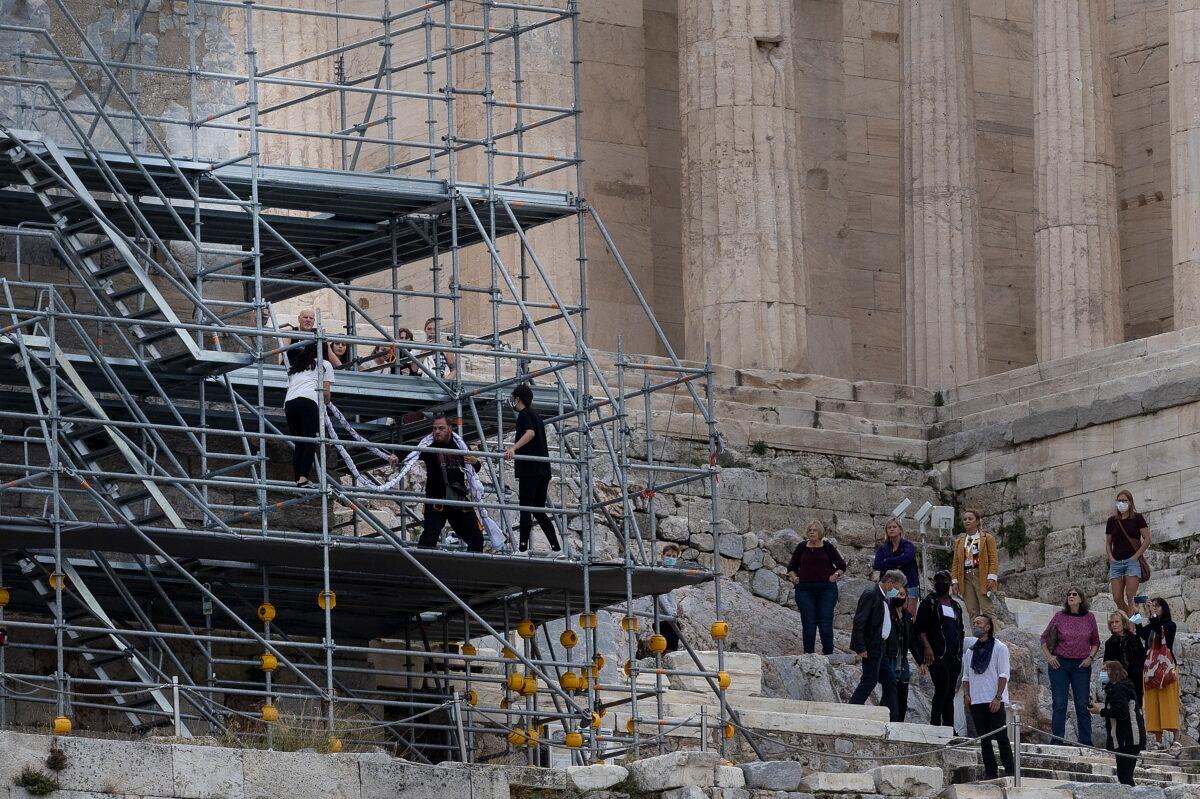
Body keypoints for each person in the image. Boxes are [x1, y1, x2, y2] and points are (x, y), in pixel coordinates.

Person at [504, 383, 561, 554]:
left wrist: (513, 448)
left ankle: (522, 549)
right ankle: (556, 547)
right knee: (538, 509)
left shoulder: (524, 414)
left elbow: (530, 433)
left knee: (526, 508)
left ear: (518, 398)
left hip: (531, 470)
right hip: (543, 469)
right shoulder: (536, 414)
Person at [1040, 587, 1100, 747]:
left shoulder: (1089, 617)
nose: (1071, 596)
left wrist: (1090, 657)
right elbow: (1044, 638)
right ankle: (1057, 741)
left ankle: (1086, 742)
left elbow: (1095, 641)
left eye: (1074, 594)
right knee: (1059, 703)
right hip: (1060, 664)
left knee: (1082, 704)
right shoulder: (1059, 616)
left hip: (1082, 665)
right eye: (1069, 594)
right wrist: (1049, 657)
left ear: (1081, 598)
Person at [417, 413, 484, 552]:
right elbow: (411, 453)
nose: (437, 432)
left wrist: (475, 461)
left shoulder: (460, 445)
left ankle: (470, 570)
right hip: (436, 500)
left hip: (457, 498)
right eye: (435, 429)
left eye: (441, 428)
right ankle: (421, 569)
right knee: (429, 537)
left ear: (450, 428)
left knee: (476, 538)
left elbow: (475, 467)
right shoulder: (429, 446)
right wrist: (395, 457)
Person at [962, 613, 1015, 780]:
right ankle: (990, 772)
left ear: (987, 627)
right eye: (974, 622)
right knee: (984, 739)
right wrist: (966, 695)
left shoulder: (1000, 648)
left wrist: (998, 697)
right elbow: (966, 676)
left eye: (979, 623)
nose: (975, 625)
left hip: (994, 700)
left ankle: (1010, 770)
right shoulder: (970, 651)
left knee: (1001, 737)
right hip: (977, 700)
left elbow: (1004, 674)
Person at [282, 322, 334, 486]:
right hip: (307, 401)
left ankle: (298, 478)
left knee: (299, 443)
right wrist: (327, 402)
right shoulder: (324, 364)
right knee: (311, 441)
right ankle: (303, 478)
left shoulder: (296, 367)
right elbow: (326, 392)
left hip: (289, 404)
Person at [848, 569, 905, 715]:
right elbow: (860, 621)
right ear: (889, 583)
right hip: (871, 645)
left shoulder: (884, 598)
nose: (897, 592)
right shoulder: (871, 594)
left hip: (881, 647)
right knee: (870, 680)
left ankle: (892, 717)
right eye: (897, 588)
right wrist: (860, 647)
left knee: (890, 681)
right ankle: (850, 710)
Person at [785, 521, 847, 655]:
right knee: (809, 624)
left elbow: (842, 565)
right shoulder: (802, 547)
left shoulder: (827, 547)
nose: (812, 532)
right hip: (805, 590)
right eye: (809, 530)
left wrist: (835, 575)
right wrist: (795, 578)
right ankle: (809, 656)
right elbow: (791, 567)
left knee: (825, 624)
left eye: (814, 530)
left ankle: (829, 655)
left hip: (826, 590)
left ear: (820, 532)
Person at [915, 569, 965, 728]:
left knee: (950, 692)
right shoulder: (929, 602)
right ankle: (935, 724)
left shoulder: (956, 605)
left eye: (944, 580)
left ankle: (949, 727)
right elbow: (919, 628)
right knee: (941, 689)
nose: (940, 583)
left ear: (950, 583)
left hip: (954, 657)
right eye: (937, 580)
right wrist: (927, 648)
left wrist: (960, 649)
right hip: (937, 655)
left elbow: (960, 629)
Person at [1137, 597, 1181, 753]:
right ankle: (1158, 739)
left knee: (1168, 700)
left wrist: (1151, 614)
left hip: (1166, 667)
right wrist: (1135, 612)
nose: (1154, 608)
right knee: (1153, 702)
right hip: (1150, 668)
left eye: (1156, 606)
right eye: (1152, 606)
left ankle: (1176, 738)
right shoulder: (1152, 625)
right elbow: (1141, 632)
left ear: (1164, 608)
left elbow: (1161, 632)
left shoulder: (1170, 625)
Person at [1090, 660, 1144, 786]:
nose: (1102, 674)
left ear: (1115, 672)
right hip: (1130, 738)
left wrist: (1101, 711)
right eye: (1102, 671)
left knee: (1125, 776)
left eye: (1105, 670)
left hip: (1127, 738)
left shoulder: (1119, 689)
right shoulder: (1123, 687)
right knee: (1124, 776)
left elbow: (1121, 712)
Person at [1106, 490, 1150, 616]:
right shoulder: (1111, 521)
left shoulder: (1138, 518)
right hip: (1116, 562)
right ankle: (1133, 620)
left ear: (1130, 503)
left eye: (1124, 500)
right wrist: (1110, 557)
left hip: (1132, 562)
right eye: (1119, 500)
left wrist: (1136, 556)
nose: (1121, 503)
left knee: (1131, 597)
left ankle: (1133, 630)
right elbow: (1108, 543)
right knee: (1117, 598)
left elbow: (1147, 539)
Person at [950, 509, 999, 620]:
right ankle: (977, 636)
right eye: (965, 519)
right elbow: (956, 563)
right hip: (965, 576)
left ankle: (995, 636)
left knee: (987, 609)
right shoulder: (960, 541)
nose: (967, 521)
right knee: (972, 611)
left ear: (977, 521)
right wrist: (954, 581)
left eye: (970, 519)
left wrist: (991, 577)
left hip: (981, 575)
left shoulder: (987, 538)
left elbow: (993, 560)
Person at [886, 585, 921, 722]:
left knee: (903, 697)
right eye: (898, 594)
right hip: (891, 658)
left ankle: (899, 723)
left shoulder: (907, 617)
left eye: (902, 595)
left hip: (903, 661)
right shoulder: (888, 614)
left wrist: (920, 661)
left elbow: (911, 641)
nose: (900, 597)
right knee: (890, 695)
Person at [873, 517, 919, 615]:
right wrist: (897, 563)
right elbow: (877, 564)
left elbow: (906, 558)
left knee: (909, 615)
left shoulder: (908, 545)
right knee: (890, 612)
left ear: (900, 529)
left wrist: (888, 561)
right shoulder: (883, 548)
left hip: (910, 584)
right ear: (886, 531)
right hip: (890, 585)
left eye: (894, 526)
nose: (892, 529)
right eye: (889, 527)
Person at [1103, 610, 1146, 713]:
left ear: (1123, 623)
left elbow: (1142, 658)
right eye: (1112, 623)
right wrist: (1104, 684)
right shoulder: (1109, 643)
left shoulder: (1134, 638)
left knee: (1136, 712)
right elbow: (1106, 664)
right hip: (1118, 683)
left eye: (1117, 622)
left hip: (1135, 682)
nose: (1114, 624)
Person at [654, 543, 682, 653]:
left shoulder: (672, 575)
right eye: (668, 555)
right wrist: (670, 613)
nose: (671, 558)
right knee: (666, 648)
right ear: (662, 556)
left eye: (674, 557)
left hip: (670, 617)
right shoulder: (659, 573)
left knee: (671, 646)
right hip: (663, 618)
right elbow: (661, 596)